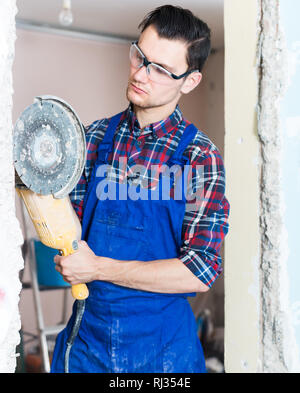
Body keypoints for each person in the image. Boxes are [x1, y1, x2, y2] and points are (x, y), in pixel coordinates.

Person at [51, 5, 230, 373]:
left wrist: (99, 268)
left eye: (161, 69)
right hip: (89, 347)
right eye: (140, 57)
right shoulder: (93, 139)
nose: (141, 75)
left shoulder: (199, 159)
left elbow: (198, 270)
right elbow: (70, 233)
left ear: (190, 81)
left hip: (164, 356)